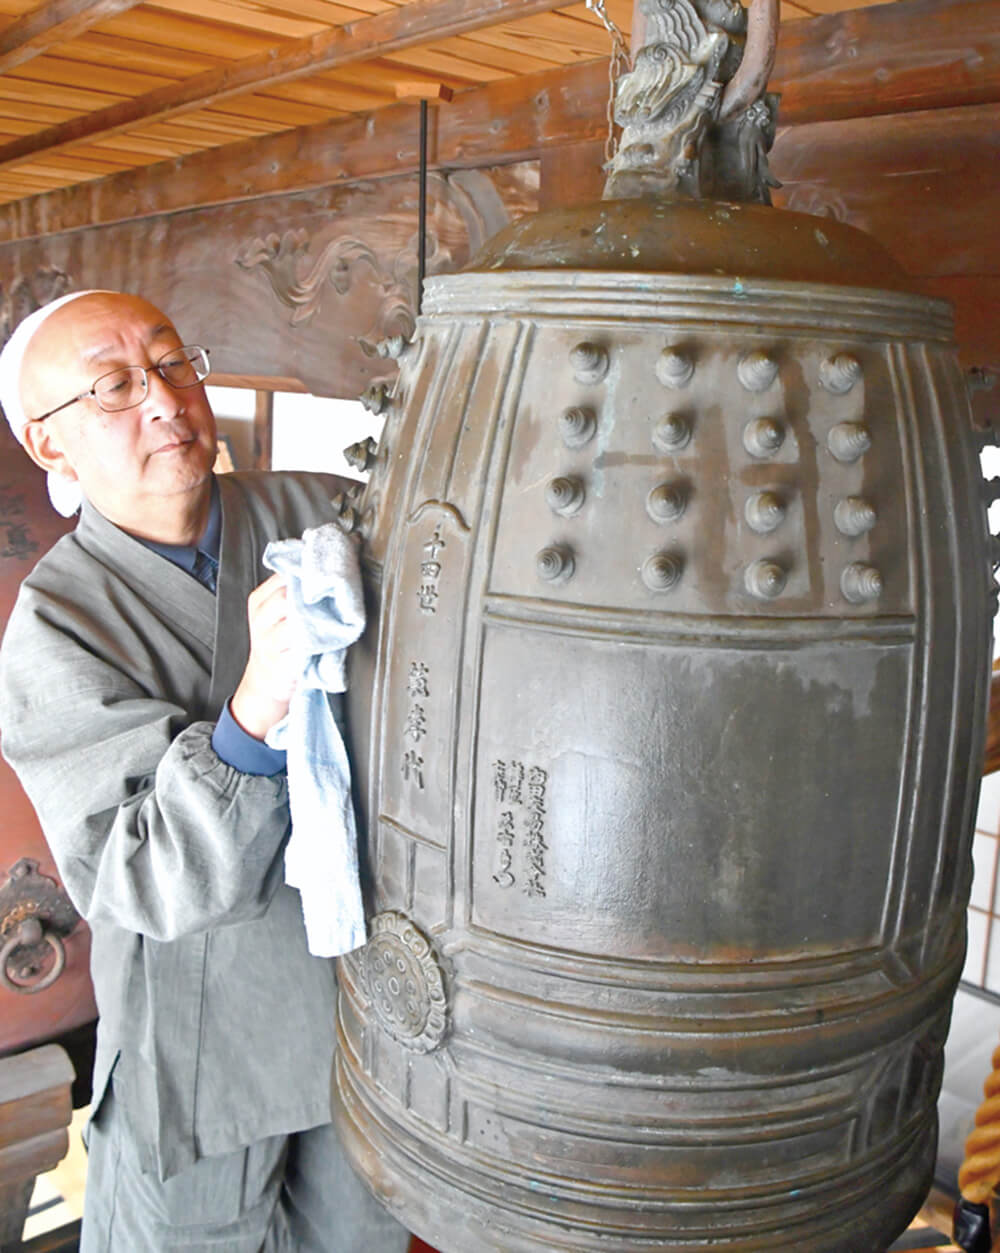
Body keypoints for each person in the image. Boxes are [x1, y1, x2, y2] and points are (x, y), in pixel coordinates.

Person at [0, 290, 410, 1252]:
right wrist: (256, 706)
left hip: (362, 999)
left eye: (173, 362)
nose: (162, 397)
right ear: (48, 446)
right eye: (112, 384)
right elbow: (136, 874)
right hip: (196, 1033)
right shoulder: (58, 624)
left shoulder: (327, 511)